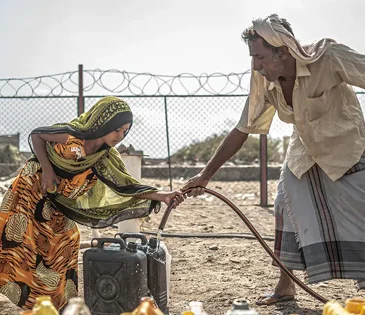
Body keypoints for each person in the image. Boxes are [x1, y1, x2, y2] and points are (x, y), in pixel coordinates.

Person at [183, 14, 365, 306]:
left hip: (347, 149)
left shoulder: (328, 56)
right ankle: (285, 286)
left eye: (260, 57)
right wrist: (206, 175)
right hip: (304, 152)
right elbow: (244, 128)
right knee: (285, 206)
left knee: (361, 215)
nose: (255, 65)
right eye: (253, 57)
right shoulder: (263, 80)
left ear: (283, 50)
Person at [0, 96, 186, 311]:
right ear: (105, 123)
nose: (121, 135)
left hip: (59, 202)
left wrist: (162, 195)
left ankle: (56, 303)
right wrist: (48, 169)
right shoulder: (72, 136)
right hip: (31, 191)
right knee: (22, 245)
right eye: (118, 129)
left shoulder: (105, 157)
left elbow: (126, 186)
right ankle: (30, 296)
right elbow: (37, 136)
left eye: (125, 131)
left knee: (68, 241)